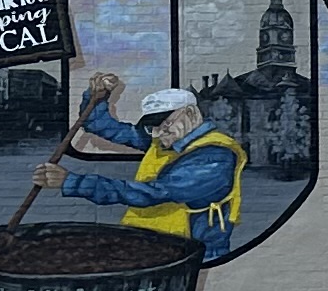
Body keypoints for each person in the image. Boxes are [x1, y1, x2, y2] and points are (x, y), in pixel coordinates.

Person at [34, 85, 244, 248]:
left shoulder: (215, 156)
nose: (160, 132)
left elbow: (154, 193)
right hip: (156, 240)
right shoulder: (168, 139)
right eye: (153, 126)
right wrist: (97, 96)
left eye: (166, 123)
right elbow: (105, 127)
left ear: (191, 114)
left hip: (195, 250)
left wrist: (73, 182)